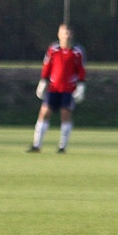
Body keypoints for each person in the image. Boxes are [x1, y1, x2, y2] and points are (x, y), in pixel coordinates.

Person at [28, 24, 86, 154]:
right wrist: (43, 81)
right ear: (59, 34)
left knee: (65, 115)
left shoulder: (77, 51)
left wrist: (81, 85)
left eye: (69, 33)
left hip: (68, 89)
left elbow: (81, 69)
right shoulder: (53, 49)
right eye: (64, 33)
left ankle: (62, 146)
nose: (67, 35)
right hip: (53, 88)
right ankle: (37, 145)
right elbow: (47, 65)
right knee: (44, 113)